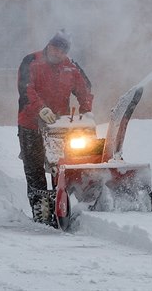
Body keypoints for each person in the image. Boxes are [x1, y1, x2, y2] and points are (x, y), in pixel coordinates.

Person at [17, 29, 94, 217]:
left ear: (66, 52)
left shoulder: (71, 68)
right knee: (35, 169)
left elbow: (85, 88)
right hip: (31, 125)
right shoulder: (31, 61)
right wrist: (41, 109)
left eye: (61, 51)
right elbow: (26, 89)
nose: (56, 53)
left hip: (59, 128)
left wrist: (86, 110)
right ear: (48, 45)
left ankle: (60, 208)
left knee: (58, 167)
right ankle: (42, 212)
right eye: (54, 48)